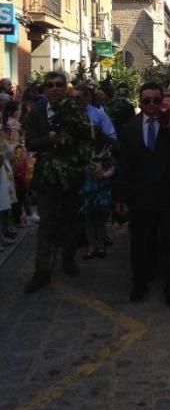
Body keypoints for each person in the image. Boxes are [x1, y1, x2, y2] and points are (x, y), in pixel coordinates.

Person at [118, 82, 170, 313]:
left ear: (163, 100)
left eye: (156, 100)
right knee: (140, 243)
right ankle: (139, 284)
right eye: (147, 100)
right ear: (140, 102)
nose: (152, 105)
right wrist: (120, 197)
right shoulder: (130, 127)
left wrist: (169, 124)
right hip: (141, 196)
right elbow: (124, 166)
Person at [23, 72, 88, 292]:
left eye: (59, 85)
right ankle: (41, 271)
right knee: (47, 222)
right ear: (45, 89)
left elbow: (86, 139)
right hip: (46, 176)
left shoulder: (76, 110)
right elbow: (30, 143)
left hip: (71, 175)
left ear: (65, 88)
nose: (54, 89)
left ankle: (68, 258)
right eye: (49, 85)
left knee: (70, 219)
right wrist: (49, 140)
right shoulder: (36, 114)